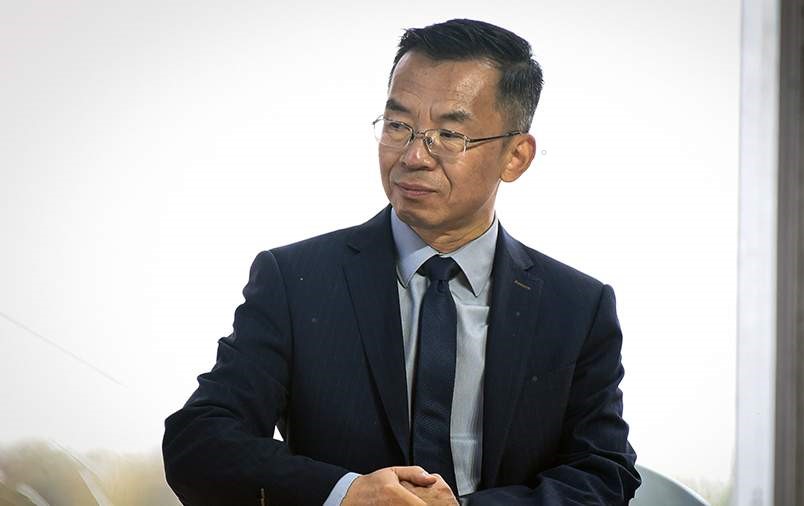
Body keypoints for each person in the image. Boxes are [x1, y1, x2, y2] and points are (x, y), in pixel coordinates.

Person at [162, 18, 640, 505]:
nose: (413, 156)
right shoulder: (297, 281)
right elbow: (200, 442)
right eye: (398, 126)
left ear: (516, 156)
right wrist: (346, 494)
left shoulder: (576, 307)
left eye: (449, 135)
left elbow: (603, 472)